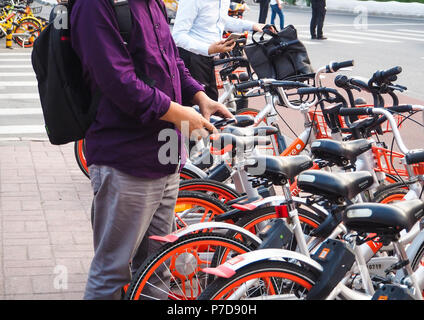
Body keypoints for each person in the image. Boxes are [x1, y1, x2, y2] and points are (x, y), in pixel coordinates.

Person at [70, 0, 233, 300]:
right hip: (126, 160)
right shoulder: (95, 6)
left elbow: (170, 60)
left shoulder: (151, 3)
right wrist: (180, 114)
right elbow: (118, 82)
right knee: (112, 272)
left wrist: (198, 95)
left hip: (165, 160)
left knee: (156, 269)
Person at [172, 0, 264, 101]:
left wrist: (252, 26)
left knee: (212, 104)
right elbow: (178, 36)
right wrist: (208, 49)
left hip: (209, 58)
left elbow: (221, 20)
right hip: (190, 58)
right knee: (196, 108)